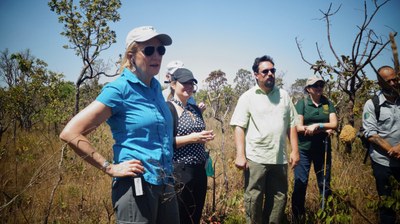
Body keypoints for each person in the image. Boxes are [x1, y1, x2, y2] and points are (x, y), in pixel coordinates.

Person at [59, 26, 180, 224]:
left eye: (161, 50)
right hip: (137, 186)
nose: (156, 55)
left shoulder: (156, 87)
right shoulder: (119, 89)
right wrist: (109, 167)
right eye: (149, 50)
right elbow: (71, 132)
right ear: (131, 55)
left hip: (165, 182)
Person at [230, 55, 300, 224]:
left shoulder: (284, 96)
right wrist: (240, 154)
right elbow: (239, 126)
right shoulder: (248, 97)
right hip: (256, 158)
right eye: (265, 71)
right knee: (254, 198)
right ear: (256, 74)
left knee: (279, 197)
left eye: (272, 70)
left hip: (280, 158)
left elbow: (292, 124)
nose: (270, 74)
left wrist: (295, 151)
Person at [166, 67, 215, 224]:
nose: (189, 87)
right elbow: (166, 142)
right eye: (184, 83)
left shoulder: (195, 109)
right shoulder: (168, 108)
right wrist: (192, 138)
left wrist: (203, 138)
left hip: (199, 169)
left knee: (195, 214)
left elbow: (197, 136)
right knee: (180, 215)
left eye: (192, 83)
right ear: (173, 84)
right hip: (180, 170)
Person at [291, 75, 338, 222]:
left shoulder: (327, 103)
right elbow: (298, 127)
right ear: (308, 89)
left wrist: (318, 126)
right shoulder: (302, 104)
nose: (319, 88)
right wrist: (324, 130)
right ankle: (297, 216)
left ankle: (326, 215)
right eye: (315, 86)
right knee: (301, 182)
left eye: (321, 85)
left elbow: (334, 124)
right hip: (303, 149)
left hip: (322, 149)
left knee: (324, 182)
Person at [362, 65, 400, 224]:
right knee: (387, 206)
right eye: (388, 81)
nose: (392, 83)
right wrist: (393, 151)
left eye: (395, 79)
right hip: (383, 162)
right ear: (380, 84)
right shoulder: (372, 104)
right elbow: (371, 134)